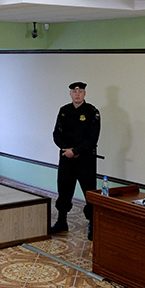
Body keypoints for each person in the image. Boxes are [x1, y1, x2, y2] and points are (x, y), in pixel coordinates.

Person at [52, 81, 101, 240]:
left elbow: (92, 138)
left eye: (80, 91)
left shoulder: (92, 112)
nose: (77, 94)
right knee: (64, 190)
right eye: (74, 91)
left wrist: (76, 151)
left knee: (89, 193)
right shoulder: (64, 110)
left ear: (85, 94)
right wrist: (67, 150)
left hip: (85, 160)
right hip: (67, 158)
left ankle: (92, 225)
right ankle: (61, 222)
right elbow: (56, 134)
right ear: (70, 94)